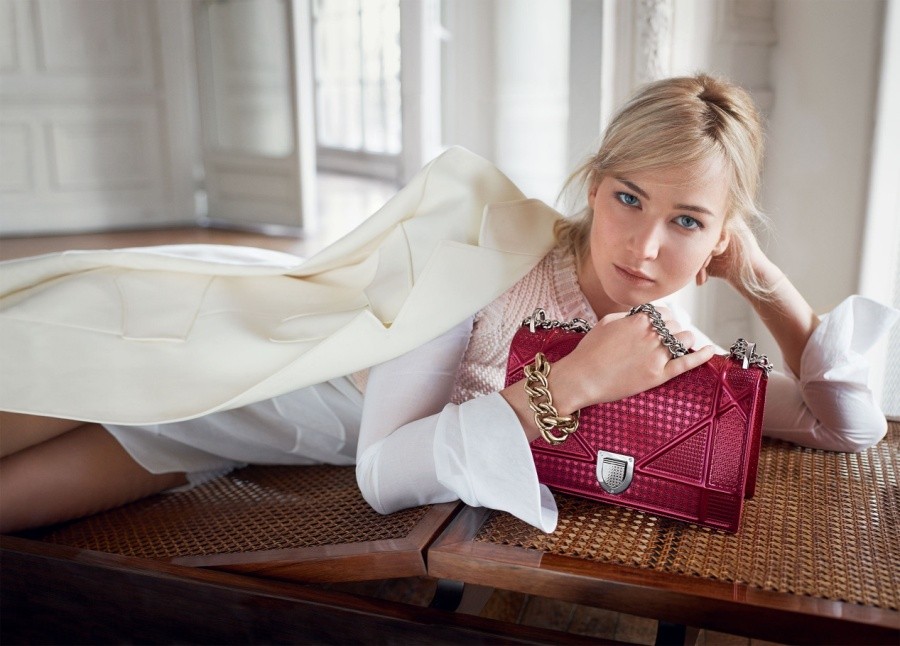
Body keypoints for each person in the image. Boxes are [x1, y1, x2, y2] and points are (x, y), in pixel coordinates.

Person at [1, 74, 896, 534]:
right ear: (594, 187)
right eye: (629, 199)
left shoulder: (665, 345)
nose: (647, 246)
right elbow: (383, 470)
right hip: (222, 341)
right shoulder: (493, 259)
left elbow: (845, 426)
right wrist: (569, 386)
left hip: (227, 436)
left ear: (720, 236)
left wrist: (760, 278)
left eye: (688, 222)